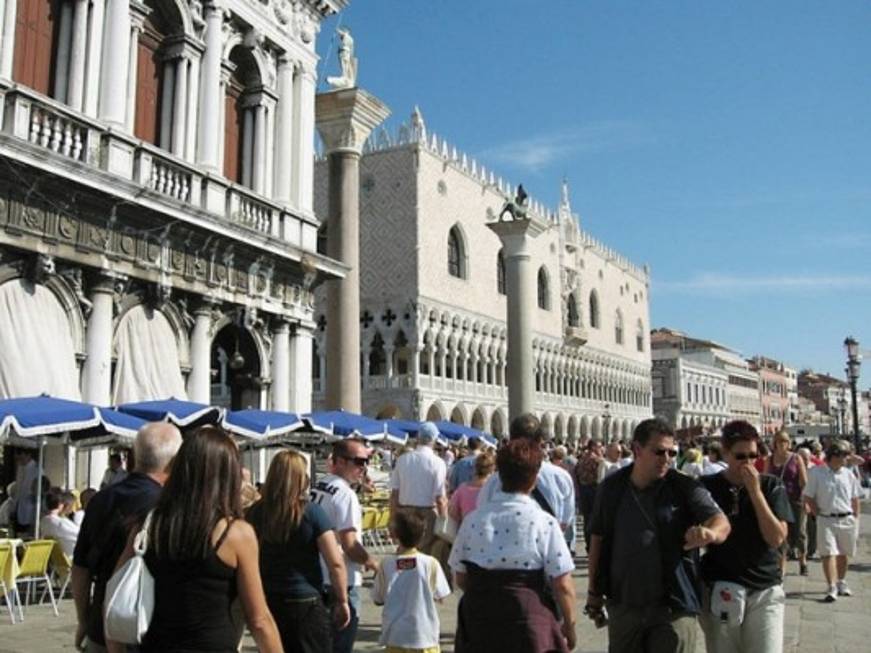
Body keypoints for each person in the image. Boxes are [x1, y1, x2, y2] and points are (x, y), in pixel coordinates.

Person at [107, 426, 281, 653]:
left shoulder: (148, 524)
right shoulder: (235, 533)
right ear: (226, 474)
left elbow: (115, 592)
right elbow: (258, 619)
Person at [586, 418, 731, 653]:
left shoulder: (683, 486)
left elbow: (721, 521)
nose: (667, 459)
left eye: (671, 452)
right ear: (636, 449)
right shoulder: (612, 488)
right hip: (624, 604)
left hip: (674, 606)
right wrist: (593, 593)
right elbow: (597, 540)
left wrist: (710, 533)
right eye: (659, 452)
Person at [449, 439, 577, 652]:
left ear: (499, 474)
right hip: (528, 619)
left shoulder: (473, 520)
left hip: (480, 618)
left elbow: (460, 576)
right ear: (534, 479)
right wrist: (570, 625)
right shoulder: (543, 522)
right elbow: (563, 584)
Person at [71, 422, 182, 653]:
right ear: (174, 462)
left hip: (104, 623)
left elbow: (80, 569)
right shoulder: (169, 507)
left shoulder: (100, 500)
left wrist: (84, 618)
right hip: (148, 627)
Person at [699, 420, 792, 653]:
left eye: (753, 456)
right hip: (722, 586)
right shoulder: (707, 486)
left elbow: (777, 538)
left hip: (765, 588)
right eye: (741, 457)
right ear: (726, 452)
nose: (748, 463)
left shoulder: (771, 485)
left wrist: (755, 492)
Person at [247, 450, 350, 653]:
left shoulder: (256, 512)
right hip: (306, 602)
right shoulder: (311, 513)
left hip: (269, 600)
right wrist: (342, 599)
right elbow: (335, 563)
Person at [311, 438, 380, 653]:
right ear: (339, 461)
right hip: (342, 580)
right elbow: (349, 544)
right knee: (341, 644)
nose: (364, 468)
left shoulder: (320, 486)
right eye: (358, 462)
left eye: (366, 461)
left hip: (317, 573)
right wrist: (372, 562)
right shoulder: (346, 494)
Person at [371, 510, 451, 653]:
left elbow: (378, 599)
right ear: (423, 535)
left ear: (393, 535)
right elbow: (441, 595)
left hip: (395, 636)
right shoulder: (431, 563)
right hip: (425, 636)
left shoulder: (386, 564)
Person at [803, 439, 863, 602]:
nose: (846, 459)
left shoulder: (848, 474)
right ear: (834, 456)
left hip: (846, 518)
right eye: (844, 456)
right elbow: (808, 496)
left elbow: (855, 497)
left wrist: (856, 517)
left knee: (844, 553)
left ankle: (841, 581)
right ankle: (831, 586)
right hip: (826, 519)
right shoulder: (817, 473)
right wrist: (817, 514)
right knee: (828, 553)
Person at [390, 422, 448, 555]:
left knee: (405, 552)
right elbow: (440, 498)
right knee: (425, 554)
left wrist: (392, 519)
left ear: (417, 437)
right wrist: (444, 521)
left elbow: (394, 495)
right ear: (433, 440)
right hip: (426, 514)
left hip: (404, 512)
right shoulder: (438, 462)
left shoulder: (402, 460)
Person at [765, 430, 808, 575]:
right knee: (780, 533)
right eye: (779, 441)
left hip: (795, 499)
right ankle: (781, 567)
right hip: (777, 501)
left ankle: (803, 561)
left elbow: (803, 481)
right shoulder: (769, 460)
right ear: (774, 443)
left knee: (799, 533)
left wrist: (806, 500)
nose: (782, 444)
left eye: (785, 441)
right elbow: (765, 480)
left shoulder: (796, 458)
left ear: (789, 443)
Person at [449, 450, 495, 526]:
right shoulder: (493, 491)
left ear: (475, 467)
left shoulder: (462, 488)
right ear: (492, 470)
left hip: (466, 530)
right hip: (486, 531)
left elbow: (453, 512)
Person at [574, 439, 603, 550]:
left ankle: (588, 544)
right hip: (593, 490)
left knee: (587, 518)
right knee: (595, 518)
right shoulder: (596, 460)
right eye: (599, 446)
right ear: (593, 447)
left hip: (583, 489)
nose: (601, 448)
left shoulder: (582, 458)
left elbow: (577, 472)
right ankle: (593, 545)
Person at [40, 489, 80, 557]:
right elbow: (81, 535)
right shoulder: (60, 523)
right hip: (73, 558)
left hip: (57, 561)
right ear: (60, 504)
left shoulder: (44, 521)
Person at [14, 450, 38, 534]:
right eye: (18, 458)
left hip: (30, 510)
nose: (20, 460)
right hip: (19, 507)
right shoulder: (21, 468)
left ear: (29, 455)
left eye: (21, 457)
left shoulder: (36, 469)